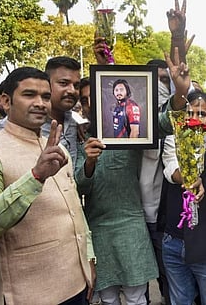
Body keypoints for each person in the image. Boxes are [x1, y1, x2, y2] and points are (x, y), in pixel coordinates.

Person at [0, 67, 95, 304]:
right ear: (6, 101)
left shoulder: (57, 146)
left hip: (76, 284)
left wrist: (89, 258)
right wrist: (35, 177)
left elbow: (75, 209)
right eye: (29, 95)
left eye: (45, 96)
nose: (40, 103)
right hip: (28, 293)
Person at [160, 92, 206, 305]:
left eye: (201, 114)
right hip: (174, 240)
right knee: (179, 301)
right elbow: (172, 171)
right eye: (189, 113)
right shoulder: (173, 141)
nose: (194, 118)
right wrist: (191, 176)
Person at [76, 128, 158, 305]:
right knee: (108, 298)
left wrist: (178, 101)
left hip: (131, 227)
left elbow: (160, 124)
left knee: (136, 298)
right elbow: (79, 187)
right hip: (99, 230)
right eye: (84, 101)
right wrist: (89, 162)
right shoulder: (82, 139)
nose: (89, 104)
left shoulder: (131, 131)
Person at [43, 56, 81, 167]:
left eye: (76, 85)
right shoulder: (29, 125)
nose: (72, 90)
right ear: (47, 84)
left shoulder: (75, 123)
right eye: (64, 83)